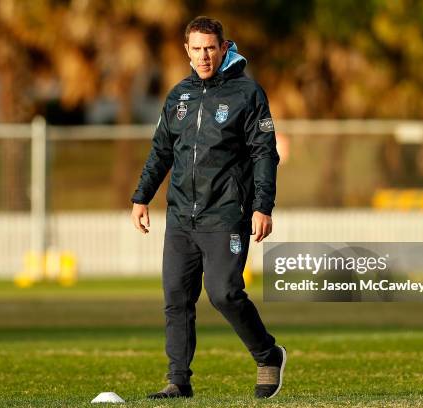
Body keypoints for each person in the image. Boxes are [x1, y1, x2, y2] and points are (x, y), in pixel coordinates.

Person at [130, 16, 285, 399]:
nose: (203, 56)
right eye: (196, 49)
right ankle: (178, 381)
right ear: (187, 51)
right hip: (181, 216)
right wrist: (141, 196)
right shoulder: (178, 96)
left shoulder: (247, 94)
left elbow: (265, 153)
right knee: (176, 298)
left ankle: (268, 355)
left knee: (224, 293)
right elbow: (161, 151)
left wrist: (262, 206)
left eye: (210, 48)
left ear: (224, 47)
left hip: (226, 214)